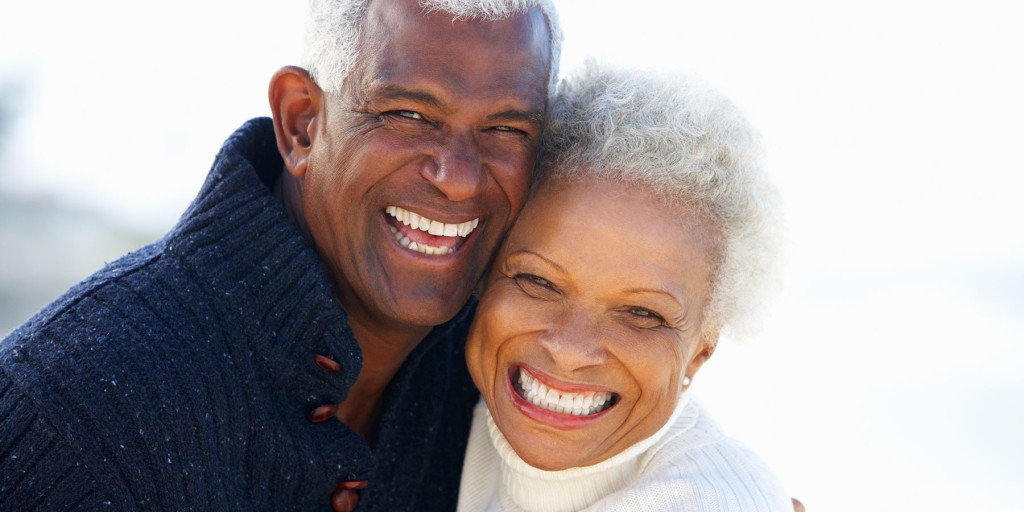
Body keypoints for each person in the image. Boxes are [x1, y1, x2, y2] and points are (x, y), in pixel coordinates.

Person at [0, 0, 561, 510]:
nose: (460, 179)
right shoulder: (66, 412)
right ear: (301, 124)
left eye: (506, 128)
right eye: (408, 114)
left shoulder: (517, 388)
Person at [458, 63, 793, 511]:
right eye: (538, 282)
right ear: (484, 274)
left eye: (643, 314)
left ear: (701, 349)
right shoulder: (455, 412)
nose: (570, 350)